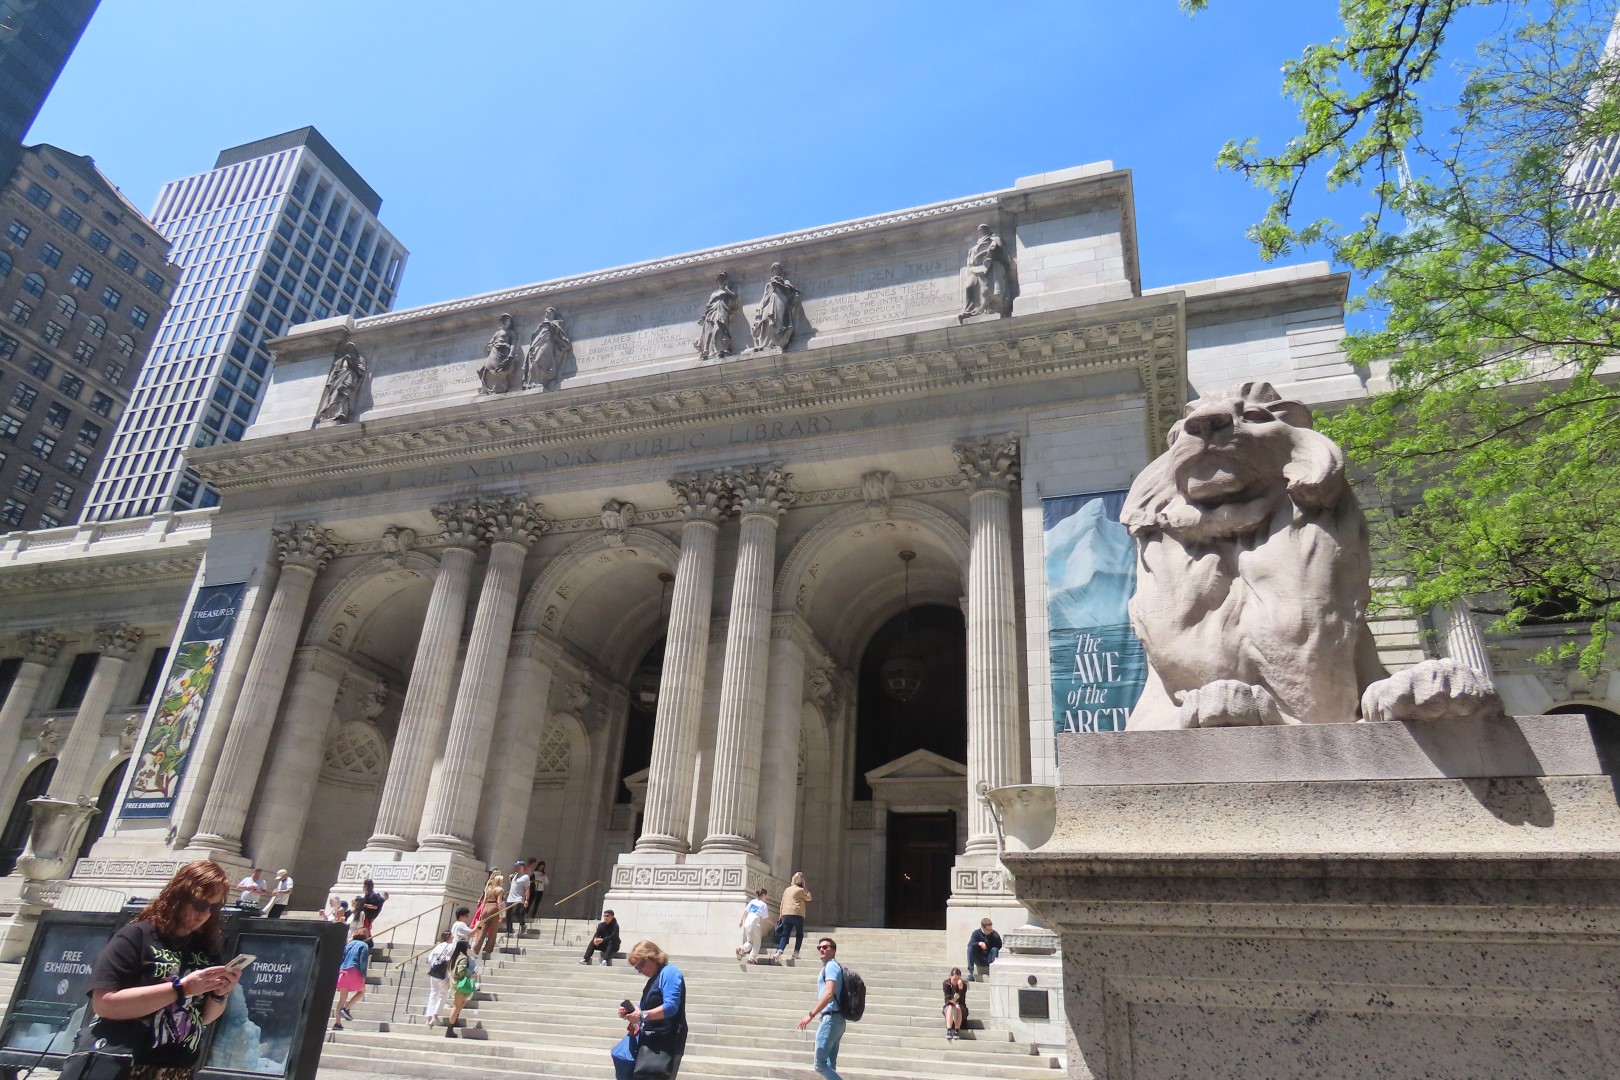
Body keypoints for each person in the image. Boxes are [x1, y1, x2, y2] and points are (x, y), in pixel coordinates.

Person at [85, 860, 242, 1080]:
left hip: (180, 1068)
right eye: (199, 904)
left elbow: (204, 1018)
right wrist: (182, 988)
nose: (204, 914)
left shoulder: (204, 946)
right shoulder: (137, 936)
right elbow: (104, 1004)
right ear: (179, 897)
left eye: (214, 908)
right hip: (128, 1064)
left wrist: (220, 994)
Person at [611, 940, 687, 1080]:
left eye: (641, 965)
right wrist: (633, 1011)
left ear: (653, 957)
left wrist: (641, 1016)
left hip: (666, 1042)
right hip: (653, 1042)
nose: (640, 970)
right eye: (636, 968)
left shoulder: (670, 972)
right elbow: (645, 1008)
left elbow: (671, 1007)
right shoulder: (654, 978)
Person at [796, 936, 845, 1080]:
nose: (821, 949)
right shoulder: (831, 966)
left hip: (831, 1018)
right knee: (829, 1064)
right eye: (819, 948)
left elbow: (829, 993)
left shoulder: (831, 966)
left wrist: (811, 1014)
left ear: (834, 950)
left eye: (826, 947)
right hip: (836, 1018)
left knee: (820, 1065)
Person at [331, 927, 370, 1030]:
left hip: (342, 972)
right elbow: (363, 961)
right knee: (361, 991)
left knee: (342, 999)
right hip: (354, 971)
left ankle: (337, 1023)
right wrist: (363, 975)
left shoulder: (348, 945)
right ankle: (347, 1009)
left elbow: (341, 957)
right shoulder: (364, 945)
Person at [773, 872, 812, 961]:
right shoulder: (801, 890)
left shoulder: (787, 889)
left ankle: (779, 951)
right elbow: (809, 898)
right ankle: (795, 953)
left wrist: (781, 914)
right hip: (797, 914)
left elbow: (782, 902)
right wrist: (805, 887)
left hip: (786, 914)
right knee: (799, 934)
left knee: (785, 934)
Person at [444, 935, 477, 1038]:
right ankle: (449, 1029)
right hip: (460, 985)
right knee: (457, 1006)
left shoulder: (455, 957)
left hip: (455, 984)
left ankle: (453, 1022)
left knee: (459, 1005)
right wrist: (469, 975)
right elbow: (461, 971)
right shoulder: (462, 958)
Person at [422, 931, 454, 1027]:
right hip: (443, 974)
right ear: (448, 937)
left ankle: (428, 1017)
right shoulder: (449, 947)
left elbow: (429, 959)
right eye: (451, 936)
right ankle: (435, 1016)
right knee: (442, 995)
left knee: (433, 994)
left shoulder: (437, 946)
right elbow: (448, 960)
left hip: (434, 972)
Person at [472, 870, 505, 959]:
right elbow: (499, 902)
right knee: (493, 931)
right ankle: (488, 949)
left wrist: (481, 912)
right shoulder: (500, 890)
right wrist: (501, 914)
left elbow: (484, 900)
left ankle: (476, 948)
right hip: (494, 908)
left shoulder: (489, 888)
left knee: (483, 929)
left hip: (486, 907)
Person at [736, 887, 770, 964]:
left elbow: (745, 911)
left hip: (747, 922)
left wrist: (741, 921)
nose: (766, 897)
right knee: (757, 942)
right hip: (755, 923)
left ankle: (741, 948)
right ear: (763, 895)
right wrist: (773, 923)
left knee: (750, 941)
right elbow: (766, 918)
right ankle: (751, 958)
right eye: (766, 896)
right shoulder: (763, 904)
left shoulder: (752, 901)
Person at [967, 917, 1001, 981]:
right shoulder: (976, 933)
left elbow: (1000, 946)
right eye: (988, 930)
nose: (990, 931)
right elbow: (969, 944)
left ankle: (992, 971)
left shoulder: (994, 934)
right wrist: (979, 943)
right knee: (970, 948)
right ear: (983, 928)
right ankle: (970, 973)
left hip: (990, 958)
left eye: (991, 929)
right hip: (980, 958)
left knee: (995, 949)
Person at [942, 967, 969, 1040]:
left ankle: (956, 1031)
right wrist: (954, 999)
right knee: (950, 1007)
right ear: (950, 976)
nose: (956, 981)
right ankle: (949, 1030)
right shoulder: (946, 984)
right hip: (949, 1007)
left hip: (961, 1008)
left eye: (958, 979)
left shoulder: (963, 985)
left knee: (957, 1006)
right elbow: (948, 1001)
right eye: (954, 979)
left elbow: (961, 1001)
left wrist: (960, 989)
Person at [504, 860, 531, 933]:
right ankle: (509, 931)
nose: (517, 868)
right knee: (508, 915)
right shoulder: (515, 875)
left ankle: (522, 924)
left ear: (522, 867)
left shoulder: (525, 877)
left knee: (516, 913)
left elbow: (527, 889)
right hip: (510, 898)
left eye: (518, 866)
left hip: (518, 899)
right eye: (516, 866)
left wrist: (526, 899)